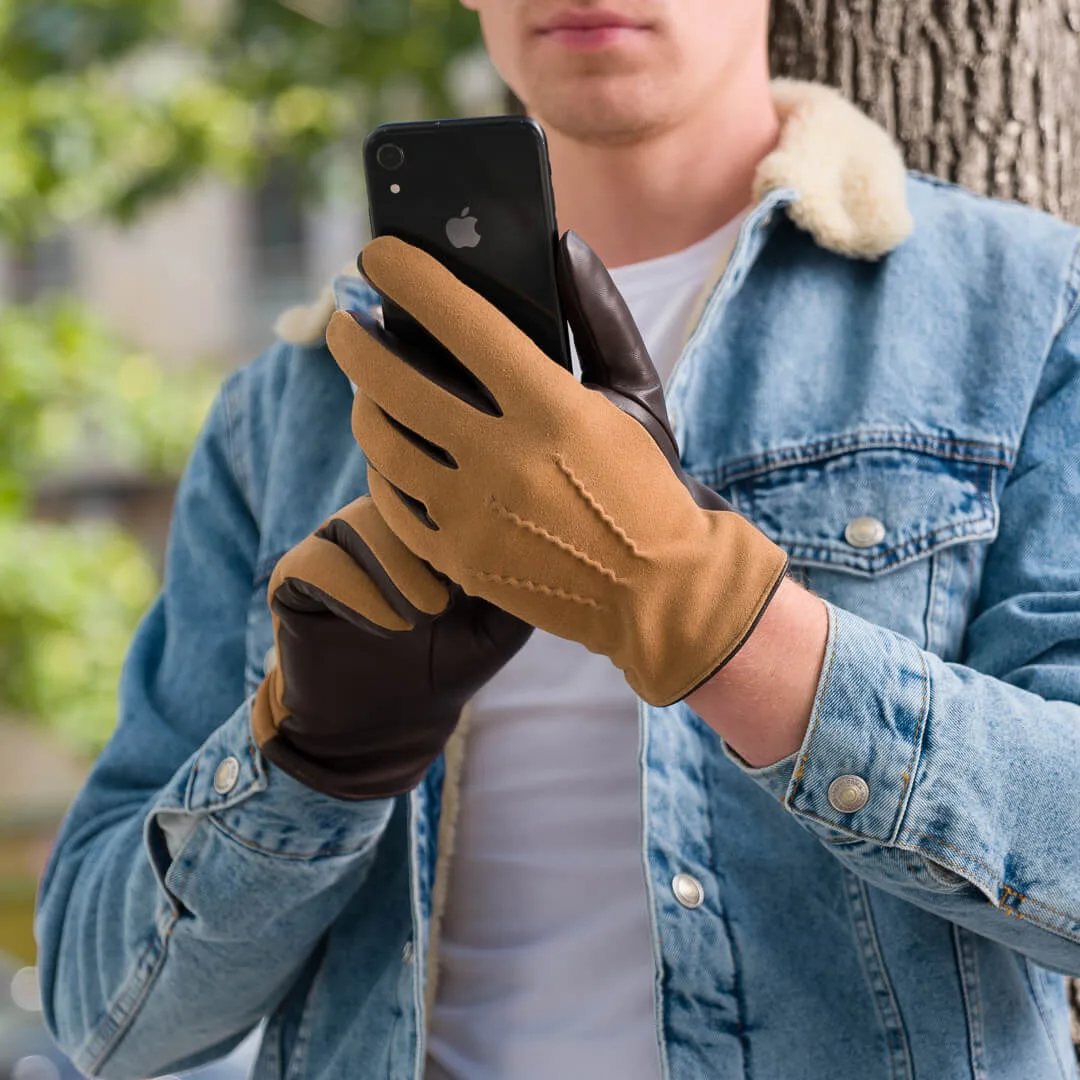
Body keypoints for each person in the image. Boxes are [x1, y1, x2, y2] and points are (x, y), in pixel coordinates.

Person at [35, 1, 1080, 1077]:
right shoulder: (294, 408)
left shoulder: (1026, 311)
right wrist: (310, 756)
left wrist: (724, 627)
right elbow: (100, 1017)